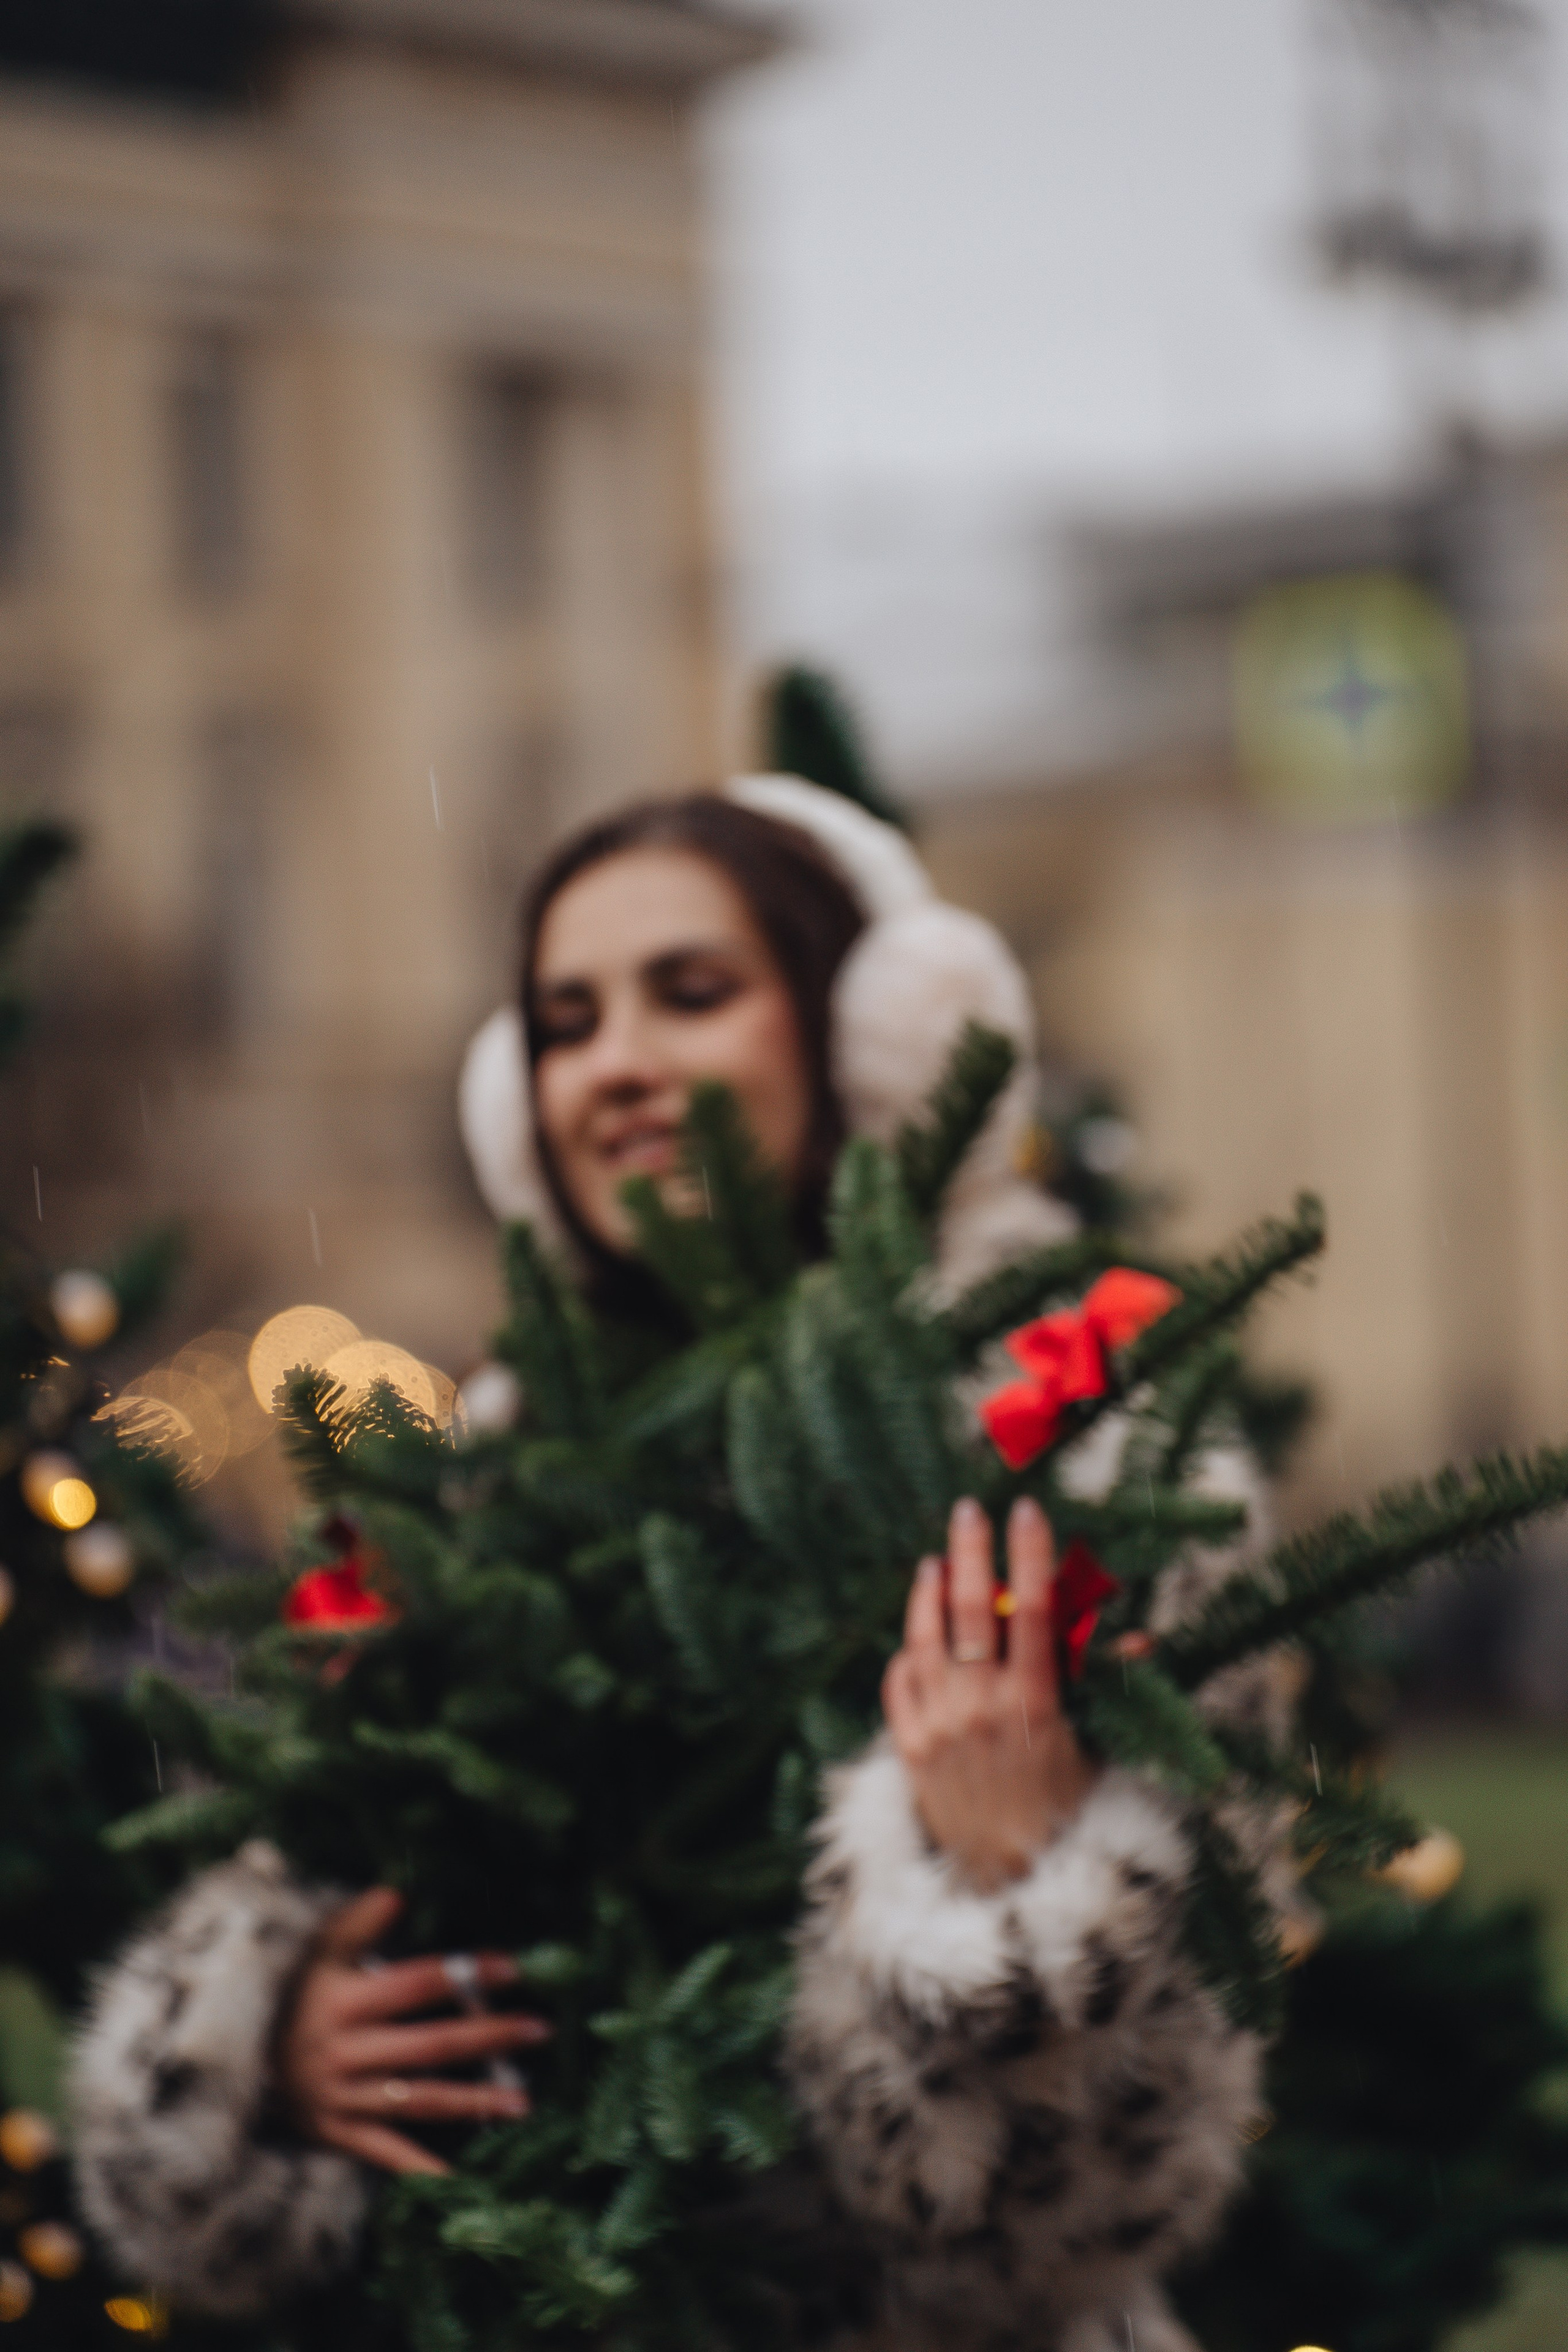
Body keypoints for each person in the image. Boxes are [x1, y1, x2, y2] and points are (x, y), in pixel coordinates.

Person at [73, 777, 1281, 2352]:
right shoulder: (475, 1489)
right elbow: (304, 1863)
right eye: (565, 1023)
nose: (620, 1065)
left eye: (692, 993)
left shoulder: (1081, 1449)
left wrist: (1016, 1919)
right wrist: (263, 2043)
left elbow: (1085, 2208)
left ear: (866, 1038)